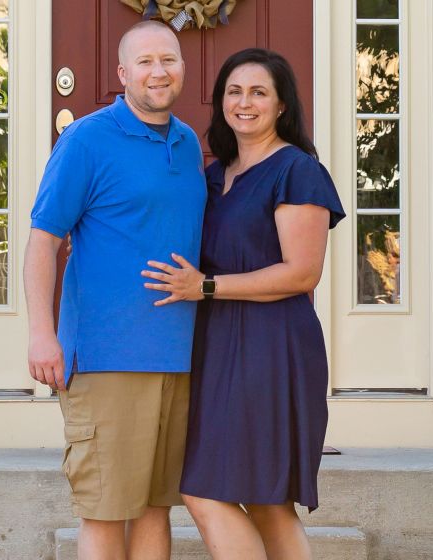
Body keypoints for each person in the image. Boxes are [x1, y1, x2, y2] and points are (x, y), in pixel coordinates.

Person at [141, 48, 346, 559]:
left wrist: (206, 287)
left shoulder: (297, 171)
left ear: (282, 105)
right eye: (234, 91)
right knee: (259, 498)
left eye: (258, 92)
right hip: (217, 347)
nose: (244, 102)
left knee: (229, 493)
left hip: (271, 348)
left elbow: (302, 272)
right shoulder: (215, 175)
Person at [23, 21, 206, 560]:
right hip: (107, 358)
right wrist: (41, 334)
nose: (158, 71)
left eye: (168, 60)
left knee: (154, 508)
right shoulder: (86, 139)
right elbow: (42, 241)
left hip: (179, 357)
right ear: (122, 73)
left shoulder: (187, 142)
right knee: (105, 511)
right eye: (145, 61)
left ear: (183, 68)